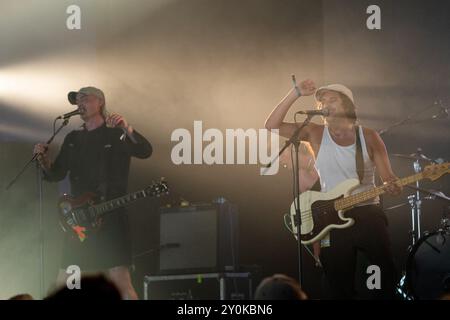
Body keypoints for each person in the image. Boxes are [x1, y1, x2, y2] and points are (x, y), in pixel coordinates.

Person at [265, 79, 402, 299]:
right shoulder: (314, 133)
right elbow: (271, 125)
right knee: (337, 285)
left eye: (332, 99)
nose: (325, 104)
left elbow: (388, 178)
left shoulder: (368, 136)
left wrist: (393, 185)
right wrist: (296, 93)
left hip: (367, 213)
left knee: (382, 277)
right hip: (330, 217)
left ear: (347, 105)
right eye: (322, 101)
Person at [33, 86, 152, 300]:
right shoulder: (73, 139)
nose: (80, 103)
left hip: (111, 215)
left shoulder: (117, 134)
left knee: (120, 281)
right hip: (80, 220)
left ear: (100, 103)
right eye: (77, 100)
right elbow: (56, 174)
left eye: (85, 98)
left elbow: (145, 151)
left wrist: (127, 129)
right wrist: (43, 160)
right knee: (67, 282)